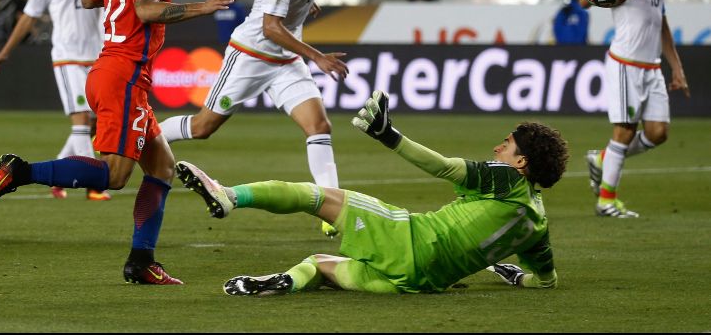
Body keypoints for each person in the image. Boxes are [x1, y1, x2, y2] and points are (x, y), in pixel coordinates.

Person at [0, 0, 237, 285]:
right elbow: (147, 9)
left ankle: (141, 262)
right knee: (116, 176)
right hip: (124, 77)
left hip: (109, 71)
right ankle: (21, 171)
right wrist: (202, 7)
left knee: (163, 166)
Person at [175, 90, 569, 295]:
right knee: (318, 263)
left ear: (522, 163)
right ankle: (286, 282)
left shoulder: (508, 179)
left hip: (408, 240)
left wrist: (390, 136)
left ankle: (229, 195)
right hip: (419, 284)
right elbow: (545, 282)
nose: (499, 148)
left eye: (507, 144)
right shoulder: (538, 226)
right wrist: (515, 274)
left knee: (315, 196)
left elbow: (445, 167)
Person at [160, 0, 349, 238]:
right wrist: (317, 56)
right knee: (203, 128)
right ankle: (148, 137)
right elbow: (269, 27)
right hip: (251, 54)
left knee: (319, 127)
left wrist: (307, 3)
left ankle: (333, 209)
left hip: (285, 61)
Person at [0, 0, 111, 202]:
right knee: (81, 121)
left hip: (98, 58)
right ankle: (94, 186)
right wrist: (5, 51)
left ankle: (60, 173)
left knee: (92, 124)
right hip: (68, 58)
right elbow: (28, 17)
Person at [585, 0, 690, 218]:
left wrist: (677, 67)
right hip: (625, 63)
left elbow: (663, 24)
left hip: (653, 66)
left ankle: (603, 158)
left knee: (658, 133)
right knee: (625, 130)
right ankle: (606, 201)